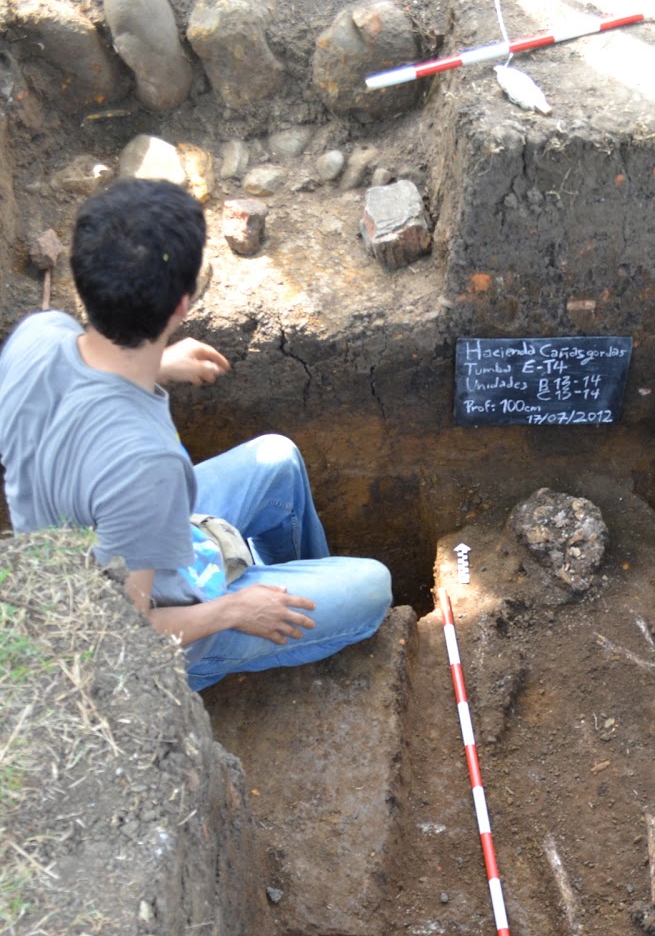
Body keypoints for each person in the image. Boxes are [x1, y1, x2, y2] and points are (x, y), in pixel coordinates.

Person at [0, 178, 391, 691]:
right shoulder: (148, 466)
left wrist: (155, 363)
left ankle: (288, 588)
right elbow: (124, 638)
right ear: (183, 305)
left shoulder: (37, 334)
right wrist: (235, 611)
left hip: (111, 544)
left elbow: (69, 392)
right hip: (159, 639)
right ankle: (266, 604)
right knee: (375, 587)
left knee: (278, 457)